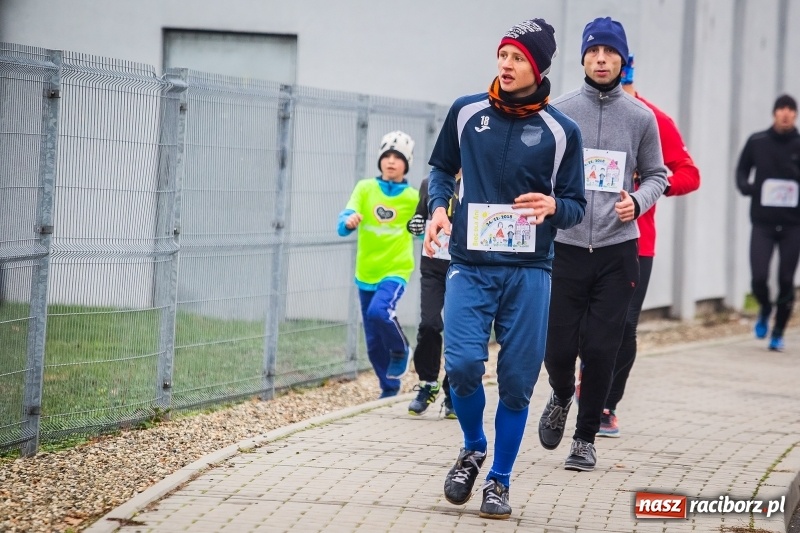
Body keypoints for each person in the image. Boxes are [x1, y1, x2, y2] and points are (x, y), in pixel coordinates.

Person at [425, 18, 586, 519]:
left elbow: (576, 205)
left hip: (530, 271)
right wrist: (437, 207)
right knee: (462, 366)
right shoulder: (466, 111)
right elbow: (440, 169)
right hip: (470, 265)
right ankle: (473, 447)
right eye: (503, 55)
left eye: (518, 58)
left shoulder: (562, 132)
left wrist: (554, 206)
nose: (506, 64)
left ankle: (499, 479)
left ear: (538, 67)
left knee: (517, 380)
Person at [537, 17, 667, 472]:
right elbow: (540, 170)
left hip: (617, 250)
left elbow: (658, 175)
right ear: (583, 58)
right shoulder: (559, 110)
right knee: (557, 348)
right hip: (566, 246)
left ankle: (585, 438)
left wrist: (637, 200)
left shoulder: (641, 117)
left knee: (600, 349)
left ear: (622, 60)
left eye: (610, 52)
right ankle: (560, 394)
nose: (601, 59)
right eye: (594, 51)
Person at [591, 53, 702, 438]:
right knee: (584, 324)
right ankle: (584, 380)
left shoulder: (653, 119)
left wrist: (654, 186)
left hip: (638, 242)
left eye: (624, 79)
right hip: (586, 238)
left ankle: (607, 405)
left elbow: (690, 174)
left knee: (625, 325)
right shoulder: (584, 112)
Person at [337, 131, 419, 398]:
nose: (391, 161)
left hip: (396, 269)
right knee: (372, 342)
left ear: (407, 163)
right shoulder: (365, 188)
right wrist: (348, 221)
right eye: (387, 156)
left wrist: (421, 228)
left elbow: (422, 232)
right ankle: (389, 388)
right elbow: (343, 222)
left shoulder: (413, 197)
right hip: (366, 272)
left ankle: (401, 349)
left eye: (398, 157)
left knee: (379, 311)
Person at [736, 94, 800, 351]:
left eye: (790, 110)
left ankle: (778, 332)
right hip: (763, 222)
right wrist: (748, 187)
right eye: (781, 109)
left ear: (795, 115)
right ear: (774, 113)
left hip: (793, 225)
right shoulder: (757, 141)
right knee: (759, 277)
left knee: (786, 279)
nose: (785, 114)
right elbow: (742, 170)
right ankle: (764, 307)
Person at [405, 174, 457, 419]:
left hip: (465, 270)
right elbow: (419, 217)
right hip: (433, 266)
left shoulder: (477, 180)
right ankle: (428, 383)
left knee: (460, 332)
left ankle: (453, 391)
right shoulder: (430, 182)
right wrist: (414, 224)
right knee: (429, 324)